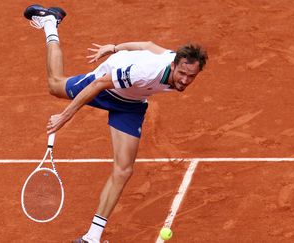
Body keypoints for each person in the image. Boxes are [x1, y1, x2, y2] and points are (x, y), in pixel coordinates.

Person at [23, 4, 208, 243]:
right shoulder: (146, 71)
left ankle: (92, 237)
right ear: (174, 65)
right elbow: (99, 84)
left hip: (131, 104)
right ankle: (50, 23)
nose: (185, 80)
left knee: (124, 170)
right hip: (105, 86)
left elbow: (149, 46)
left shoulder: (175, 60)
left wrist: (113, 47)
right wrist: (64, 116)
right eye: (182, 73)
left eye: (191, 76)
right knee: (55, 85)